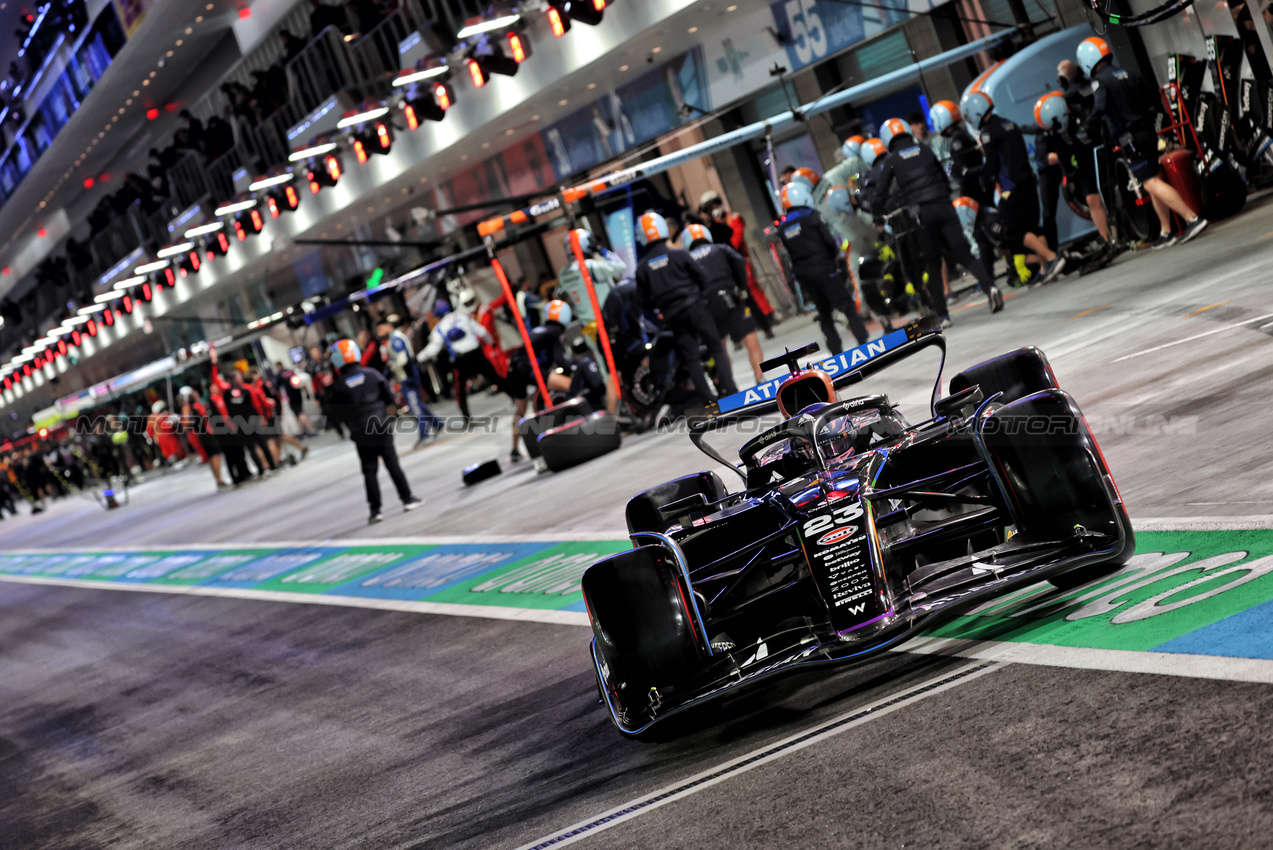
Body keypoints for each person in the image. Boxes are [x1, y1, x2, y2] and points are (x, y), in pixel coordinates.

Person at [871, 117, 1003, 324]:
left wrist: (877, 214)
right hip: (944, 205)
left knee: (933, 264)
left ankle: (943, 315)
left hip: (922, 214)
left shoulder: (892, 160)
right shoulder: (925, 150)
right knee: (964, 253)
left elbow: (880, 195)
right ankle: (990, 287)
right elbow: (943, 177)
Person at [1078, 37, 1208, 247]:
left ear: (1087, 60)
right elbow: (1152, 95)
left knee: (1149, 182)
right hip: (1148, 133)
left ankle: (1192, 218)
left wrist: (1087, 126)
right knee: (1154, 181)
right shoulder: (1127, 72)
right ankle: (1166, 231)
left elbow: (1100, 107)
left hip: (1130, 139)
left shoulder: (1099, 82)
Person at [958, 92, 1067, 284]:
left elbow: (991, 167)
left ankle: (1051, 257)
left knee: (1014, 231)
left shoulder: (987, 133)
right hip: (1028, 182)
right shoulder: (1009, 123)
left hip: (1012, 188)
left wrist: (970, 173)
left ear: (975, 111)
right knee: (1033, 227)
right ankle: (1046, 268)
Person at [634, 211, 739, 405]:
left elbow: (644, 302)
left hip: (673, 315)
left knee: (691, 358)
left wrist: (662, 304)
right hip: (696, 307)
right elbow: (704, 278)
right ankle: (731, 392)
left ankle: (708, 400)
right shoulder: (679, 253)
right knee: (715, 347)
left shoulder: (642, 268)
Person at [325, 338, 422, 524]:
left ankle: (375, 511)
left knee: (369, 470)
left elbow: (335, 414)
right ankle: (407, 499)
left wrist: (351, 427)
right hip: (380, 426)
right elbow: (390, 399)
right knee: (392, 463)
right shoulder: (372, 374)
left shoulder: (337, 386)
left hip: (360, 431)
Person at [777, 182, 871, 351]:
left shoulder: (783, 225)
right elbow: (828, 241)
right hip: (823, 267)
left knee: (824, 312)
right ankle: (862, 340)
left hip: (804, 272)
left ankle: (835, 349)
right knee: (846, 305)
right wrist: (834, 256)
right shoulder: (811, 215)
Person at [1034, 87, 1117, 264]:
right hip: (1081, 164)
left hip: (1100, 155)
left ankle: (1121, 231)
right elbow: (1061, 155)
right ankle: (1107, 238)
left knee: (1111, 191)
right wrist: (1069, 176)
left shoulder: (1082, 112)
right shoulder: (1052, 130)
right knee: (1092, 200)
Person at [680, 224, 765, 384]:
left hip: (708, 307)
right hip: (731, 298)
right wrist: (741, 286)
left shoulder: (687, 260)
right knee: (750, 338)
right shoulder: (721, 249)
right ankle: (760, 378)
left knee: (719, 349)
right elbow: (739, 261)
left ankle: (730, 387)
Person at [930, 99, 999, 271]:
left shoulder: (957, 140)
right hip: (978, 188)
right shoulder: (960, 136)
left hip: (975, 190)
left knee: (981, 233)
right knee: (983, 232)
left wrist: (959, 173)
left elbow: (964, 170)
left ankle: (988, 274)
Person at [377, 319, 442, 448]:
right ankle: (437, 424)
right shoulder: (393, 337)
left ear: (388, 326)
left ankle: (424, 434)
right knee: (417, 403)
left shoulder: (395, 339)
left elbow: (402, 359)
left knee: (414, 406)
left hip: (408, 376)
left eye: (381, 329)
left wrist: (391, 366)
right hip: (406, 375)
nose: (380, 332)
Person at [557, 229, 626, 324]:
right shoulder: (589, 266)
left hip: (587, 327)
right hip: (606, 322)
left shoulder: (563, 274)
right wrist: (600, 250)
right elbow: (620, 266)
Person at [179, 386, 228, 489]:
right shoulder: (197, 406)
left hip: (199, 434)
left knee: (211, 457)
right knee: (215, 456)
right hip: (206, 433)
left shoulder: (188, 408)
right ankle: (219, 480)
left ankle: (218, 480)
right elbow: (203, 418)